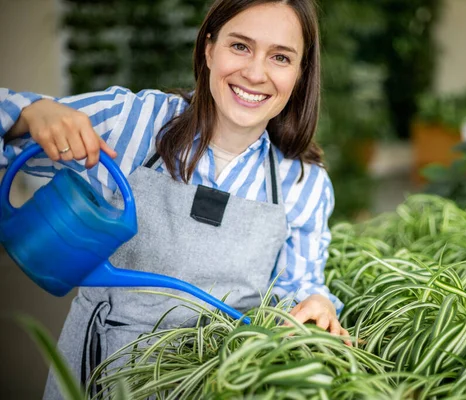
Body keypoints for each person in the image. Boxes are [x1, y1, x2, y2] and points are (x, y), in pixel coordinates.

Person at [0, 0, 350, 398]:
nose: (255, 73)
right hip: (101, 376)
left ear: (300, 74)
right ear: (208, 48)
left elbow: (298, 287)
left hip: (218, 384)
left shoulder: (302, 181)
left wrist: (315, 302)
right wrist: (31, 114)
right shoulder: (135, 123)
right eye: (240, 46)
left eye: (281, 57)